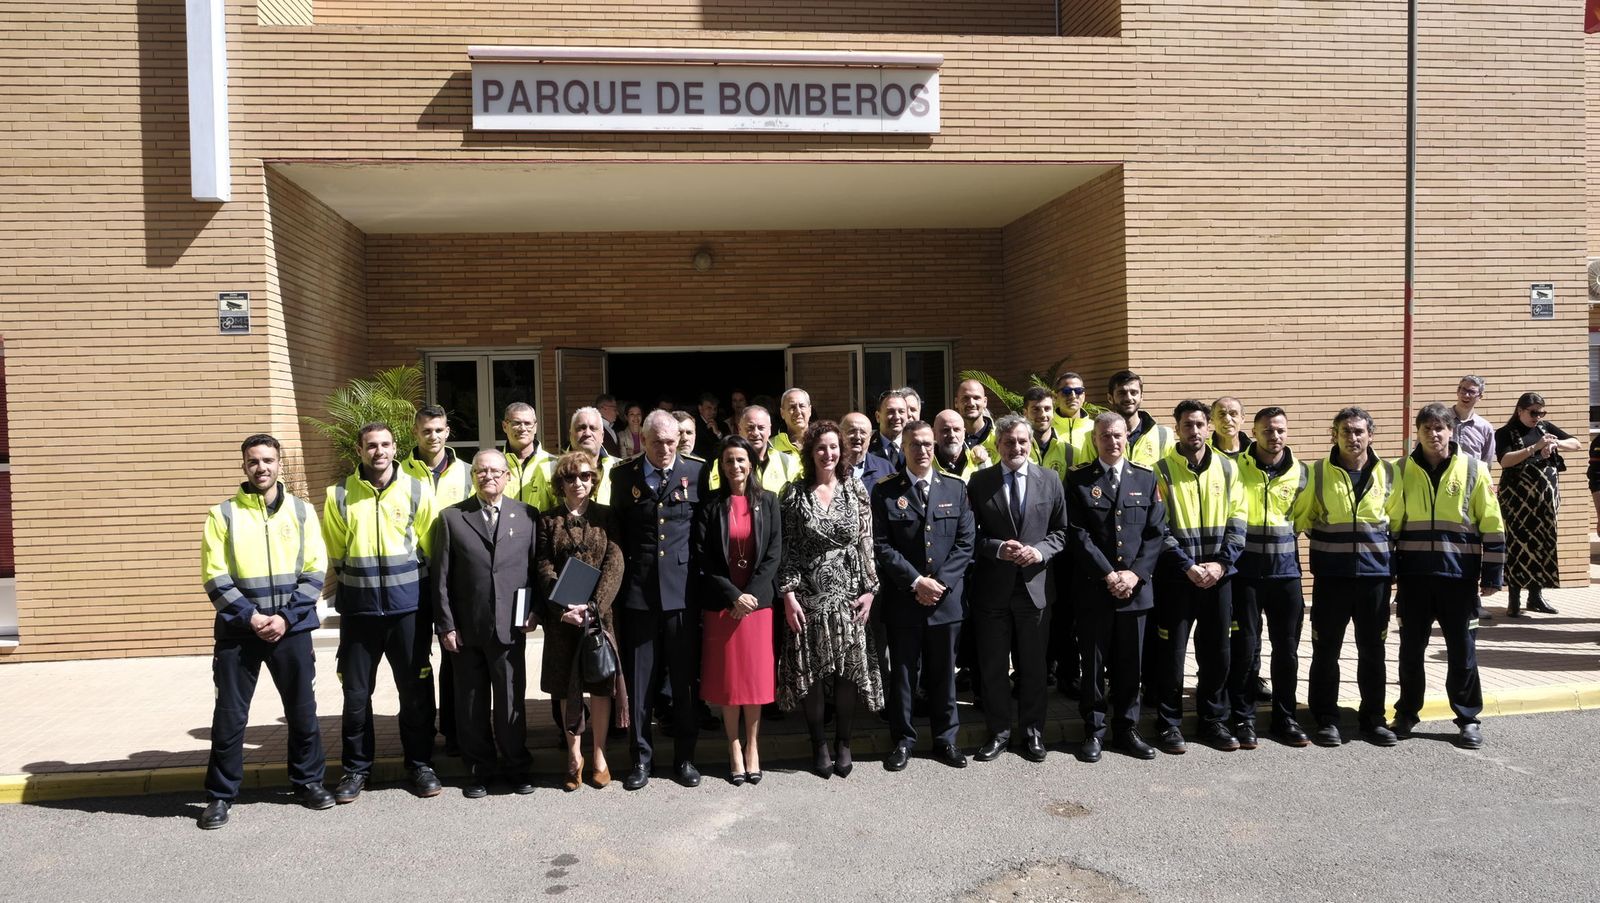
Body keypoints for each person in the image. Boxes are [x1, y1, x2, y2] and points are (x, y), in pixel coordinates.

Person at [197, 434, 333, 829]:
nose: (261, 467)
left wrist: (286, 618)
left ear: (279, 464)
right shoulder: (222, 515)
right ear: (243, 465)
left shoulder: (302, 512)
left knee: (302, 712)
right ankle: (220, 796)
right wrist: (251, 617)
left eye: (268, 460)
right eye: (254, 461)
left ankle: (308, 783)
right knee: (229, 717)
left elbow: (315, 569)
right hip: (240, 633)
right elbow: (214, 574)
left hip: (292, 629)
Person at [322, 422, 440, 803]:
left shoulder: (417, 490)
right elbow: (337, 553)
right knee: (356, 695)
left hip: (408, 611)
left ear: (395, 448)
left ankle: (420, 764)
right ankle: (357, 769)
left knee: (415, 692)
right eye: (371, 445)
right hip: (360, 614)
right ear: (359, 450)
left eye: (385, 444)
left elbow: (429, 547)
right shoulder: (339, 494)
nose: (379, 451)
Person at [1388, 403, 1505, 749]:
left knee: (1462, 652)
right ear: (1418, 432)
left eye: (1439, 428)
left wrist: (1492, 574)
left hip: (1459, 579)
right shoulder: (1399, 470)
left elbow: (1492, 523)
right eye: (1427, 428)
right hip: (1414, 579)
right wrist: (1390, 572)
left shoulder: (1474, 469)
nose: (1433, 434)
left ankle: (1468, 719)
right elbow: (1390, 525)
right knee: (1411, 652)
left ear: (1451, 431)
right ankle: (1406, 714)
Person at [431, 450, 541, 798]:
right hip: (467, 628)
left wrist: (534, 611)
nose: (488, 476)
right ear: (473, 477)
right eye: (481, 471)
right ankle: (479, 770)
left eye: (495, 471)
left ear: (508, 476)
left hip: (511, 626)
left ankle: (516, 767)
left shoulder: (527, 515)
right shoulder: (451, 518)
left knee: (511, 703)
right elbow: (440, 579)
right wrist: (446, 625)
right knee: (471, 704)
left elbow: (535, 571)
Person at [778, 420, 883, 779]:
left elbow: (866, 541)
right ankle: (819, 743)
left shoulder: (855, 488)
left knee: (847, 673)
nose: (828, 453)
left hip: (850, 595)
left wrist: (870, 590)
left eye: (834, 447)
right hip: (808, 596)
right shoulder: (794, 493)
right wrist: (788, 595)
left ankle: (844, 742)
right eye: (821, 447)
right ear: (810, 452)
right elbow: (787, 549)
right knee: (812, 674)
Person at [610, 410, 705, 789]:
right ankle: (641, 760)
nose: (665, 449)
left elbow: (701, 533)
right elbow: (618, 534)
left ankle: (685, 758)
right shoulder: (623, 476)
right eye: (657, 442)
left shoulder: (696, 472)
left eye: (671, 442)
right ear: (643, 441)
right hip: (640, 593)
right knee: (641, 683)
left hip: (682, 593)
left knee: (684, 683)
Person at [873, 420, 976, 771]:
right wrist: (917, 582)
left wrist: (939, 583)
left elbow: (965, 542)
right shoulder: (886, 491)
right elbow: (881, 546)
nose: (923, 450)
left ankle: (946, 739)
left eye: (928, 444)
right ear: (903, 448)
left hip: (945, 601)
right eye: (915, 444)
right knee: (904, 675)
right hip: (905, 599)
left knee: (944, 674)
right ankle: (903, 740)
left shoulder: (955, 488)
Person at [1064, 412, 1167, 762]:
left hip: (1135, 592)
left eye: (1118, 435)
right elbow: (1077, 534)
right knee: (1093, 665)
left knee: (1130, 666)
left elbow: (1155, 533)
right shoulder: (1078, 479)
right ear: (1095, 439)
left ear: (1127, 438)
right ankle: (1093, 731)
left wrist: (1135, 575)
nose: (1112, 441)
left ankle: (1126, 729)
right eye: (1105, 436)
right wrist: (1108, 575)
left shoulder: (1145, 477)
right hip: (1095, 589)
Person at [1291, 406, 1396, 748]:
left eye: (1359, 431)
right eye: (1346, 431)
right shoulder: (1317, 473)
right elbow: (1303, 519)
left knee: (1373, 652)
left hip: (1375, 579)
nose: (1353, 437)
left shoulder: (1389, 473)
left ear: (1370, 435)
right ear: (1334, 435)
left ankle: (1374, 719)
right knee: (1326, 651)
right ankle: (1326, 719)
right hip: (1331, 578)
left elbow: (1397, 522)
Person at [967, 415, 1069, 764]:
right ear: (997, 444)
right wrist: (996, 548)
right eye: (1009, 441)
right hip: (992, 590)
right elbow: (969, 535)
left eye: (1022, 441)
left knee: (1033, 667)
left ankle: (1033, 732)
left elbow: (1062, 532)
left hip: (1034, 588)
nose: (1016, 447)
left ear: (1030, 443)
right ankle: (998, 732)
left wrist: (1039, 552)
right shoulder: (980, 482)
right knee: (993, 666)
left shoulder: (1050, 480)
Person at [1150, 400, 1248, 754]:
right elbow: (1158, 528)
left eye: (1199, 424)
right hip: (1178, 579)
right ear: (1176, 428)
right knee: (1171, 654)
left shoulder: (1228, 468)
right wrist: (1187, 566)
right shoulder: (1160, 471)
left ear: (1209, 427)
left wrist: (1221, 565)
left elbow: (1238, 520)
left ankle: (1212, 721)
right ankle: (1169, 723)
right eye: (1187, 425)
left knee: (1217, 652)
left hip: (1219, 578)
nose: (1194, 431)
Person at [537, 450, 627, 791]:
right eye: (570, 477)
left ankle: (600, 755)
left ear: (594, 480)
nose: (578, 482)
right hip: (563, 619)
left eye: (586, 476)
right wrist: (564, 608)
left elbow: (615, 564)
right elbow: (543, 566)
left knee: (601, 685)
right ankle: (574, 757)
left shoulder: (608, 516)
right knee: (566, 686)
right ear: (560, 483)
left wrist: (593, 608)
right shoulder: (547, 520)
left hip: (598, 618)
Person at [694, 436, 782, 785]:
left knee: (754, 680)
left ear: (752, 463)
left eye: (741, 460)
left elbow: (774, 553)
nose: (735, 466)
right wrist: (733, 596)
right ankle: (733, 746)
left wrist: (751, 596)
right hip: (723, 606)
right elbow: (704, 557)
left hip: (757, 607)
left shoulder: (769, 502)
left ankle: (753, 747)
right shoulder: (711, 505)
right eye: (729, 460)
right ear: (722, 466)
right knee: (729, 681)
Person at [402, 404, 475, 757]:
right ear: (415, 432)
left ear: (448, 432)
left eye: (439, 430)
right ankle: (422, 735)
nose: (433, 436)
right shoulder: (398, 473)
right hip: (414, 578)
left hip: (456, 578)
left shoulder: (467, 473)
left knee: (455, 656)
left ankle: (455, 730)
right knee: (417, 661)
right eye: (426, 430)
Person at [1235, 407, 1309, 745]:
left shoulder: (1302, 473)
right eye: (1267, 430)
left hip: (1285, 574)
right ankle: (1244, 719)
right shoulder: (1236, 467)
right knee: (1246, 650)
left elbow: (1302, 519)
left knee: (1287, 651)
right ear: (1254, 432)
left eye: (1280, 430)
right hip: (1246, 573)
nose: (1274, 436)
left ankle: (1285, 718)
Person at [1494, 392, 1579, 616]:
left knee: (1541, 544)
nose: (1538, 417)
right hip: (1517, 502)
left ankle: (1535, 597)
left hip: (1545, 500)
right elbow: (1505, 460)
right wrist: (1534, 448)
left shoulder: (1545, 428)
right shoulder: (1505, 432)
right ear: (1520, 410)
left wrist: (1555, 443)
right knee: (1517, 545)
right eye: (1533, 413)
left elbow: (1576, 444)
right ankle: (1514, 599)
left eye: (1541, 413)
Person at [707, 404, 800, 493]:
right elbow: (718, 496)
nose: (755, 433)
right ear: (739, 429)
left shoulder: (788, 462)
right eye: (750, 428)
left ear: (770, 430)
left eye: (761, 428)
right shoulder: (725, 463)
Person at [1107, 369, 1174, 468]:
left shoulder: (1163, 435)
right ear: (1110, 398)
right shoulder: (1098, 435)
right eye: (1122, 393)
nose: (1128, 398)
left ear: (1141, 396)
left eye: (1134, 392)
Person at [501, 402, 556, 508]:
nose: (522, 428)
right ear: (504, 426)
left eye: (527, 423)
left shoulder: (552, 463)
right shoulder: (493, 466)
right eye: (516, 423)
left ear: (535, 427)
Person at [565, 406, 618, 503]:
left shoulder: (619, 468)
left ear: (602, 436)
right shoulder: (553, 469)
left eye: (593, 428)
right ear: (571, 435)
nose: (587, 433)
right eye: (581, 428)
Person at [1050, 371, 1096, 464]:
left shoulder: (1095, 428)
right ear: (1055, 397)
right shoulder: (1047, 428)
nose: (1073, 396)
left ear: (1084, 396)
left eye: (1078, 391)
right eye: (1066, 391)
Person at [842, 411, 895, 489]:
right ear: (840, 434)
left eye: (863, 432)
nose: (857, 437)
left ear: (870, 437)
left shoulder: (885, 468)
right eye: (852, 431)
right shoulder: (830, 467)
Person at [1452, 376, 1495, 466]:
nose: (1466, 395)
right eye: (1463, 390)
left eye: (1471, 392)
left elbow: (1486, 464)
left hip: (1471, 474)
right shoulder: (1441, 420)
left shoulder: (1485, 428)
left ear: (1480, 397)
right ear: (1458, 391)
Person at [932, 409, 983, 480]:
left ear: (964, 433)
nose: (952, 435)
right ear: (934, 434)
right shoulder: (925, 465)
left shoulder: (980, 461)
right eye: (946, 430)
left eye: (956, 430)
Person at [870, 389, 911, 471]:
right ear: (878, 417)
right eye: (890, 412)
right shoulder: (867, 447)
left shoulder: (917, 446)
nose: (896, 417)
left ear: (907, 416)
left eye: (901, 411)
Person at [956, 378, 996, 462]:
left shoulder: (999, 437)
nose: (971, 403)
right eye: (965, 398)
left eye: (976, 398)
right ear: (956, 402)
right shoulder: (951, 439)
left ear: (985, 402)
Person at [771, 387, 811, 457]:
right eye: (792, 407)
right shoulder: (771, 446)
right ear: (782, 413)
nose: (798, 412)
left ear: (810, 410)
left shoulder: (820, 441)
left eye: (802, 406)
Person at [693, 392, 725, 459]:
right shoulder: (693, 424)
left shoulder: (722, 425)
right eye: (709, 408)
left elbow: (727, 444)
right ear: (700, 408)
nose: (713, 412)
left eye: (715, 409)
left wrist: (718, 433)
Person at [596, 393, 622, 458]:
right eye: (615, 409)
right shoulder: (593, 429)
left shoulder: (612, 429)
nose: (617, 413)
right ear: (604, 408)